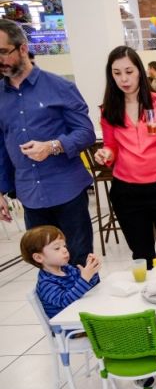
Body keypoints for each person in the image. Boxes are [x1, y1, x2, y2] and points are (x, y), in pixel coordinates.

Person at [0, 19, 96, 266]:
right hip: (30, 197)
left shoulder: (60, 87)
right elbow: (2, 146)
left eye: (3, 52)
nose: (0, 60)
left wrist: (52, 146)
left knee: (78, 262)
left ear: (22, 48)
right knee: (47, 268)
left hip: (68, 191)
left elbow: (85, 132)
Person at [95, 45, 156, 269]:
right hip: (127, 191)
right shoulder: (109, 109)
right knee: (142, 255)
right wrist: (106, 153)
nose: (124, 79)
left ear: (139, 71)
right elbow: (111, 146)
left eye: (129, 71)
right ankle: (151, 298)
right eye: (117, 73)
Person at [20, 225, 100, 319]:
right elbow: (65, 301)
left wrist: (91, 271)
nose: (65, 250)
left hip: (80, 313)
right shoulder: (46, 283)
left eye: (64, 246)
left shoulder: (66, 268)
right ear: (38, 257)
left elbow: (86, 286)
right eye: (57, 248)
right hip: (68, 325)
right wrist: (85, 278)